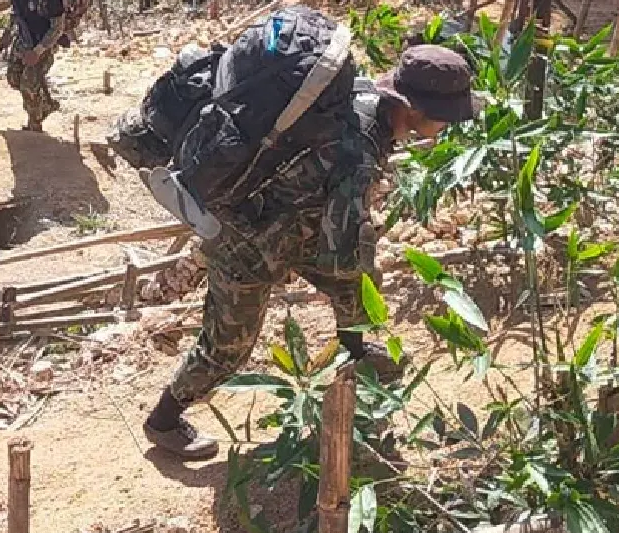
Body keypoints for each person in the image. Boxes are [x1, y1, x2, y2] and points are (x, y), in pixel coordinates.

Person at [141, 44, 479, 460]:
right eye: (445, 116)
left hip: (292, 226)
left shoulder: (359, 99)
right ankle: (164, 420)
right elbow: (343, 249)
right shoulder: (360, 153)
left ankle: (356, 352)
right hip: (247, 242)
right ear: (413, 109)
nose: (448, 125)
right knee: (228, 347)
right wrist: (359, 260)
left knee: (353, 289)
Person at [0, 0, 68, 132]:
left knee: (29, 84)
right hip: (23, 39)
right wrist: (6, 34)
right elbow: (17, 13)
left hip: (43, 43)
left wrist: (37, 52)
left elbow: (57, 27)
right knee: (14, 78)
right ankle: (46, 104)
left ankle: (35, 125)